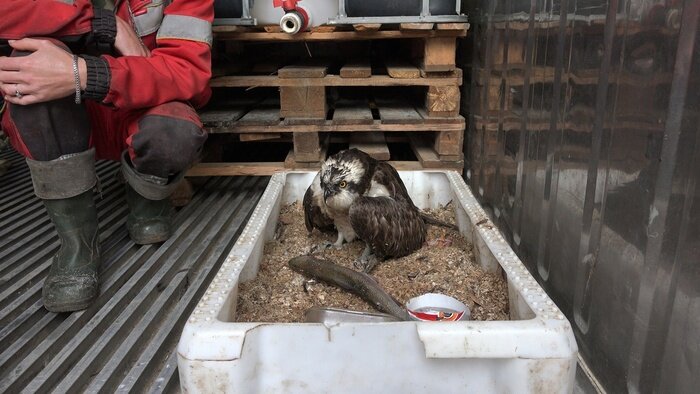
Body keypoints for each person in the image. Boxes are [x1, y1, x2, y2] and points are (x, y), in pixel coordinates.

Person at [0, 0, 214, 313]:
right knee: (28, 66)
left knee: (173, 133)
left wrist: (88, 74)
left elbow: (187, 74)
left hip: (141, 105)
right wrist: (100, 24)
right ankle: (78, 246)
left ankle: (147, 196)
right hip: (65, 116)